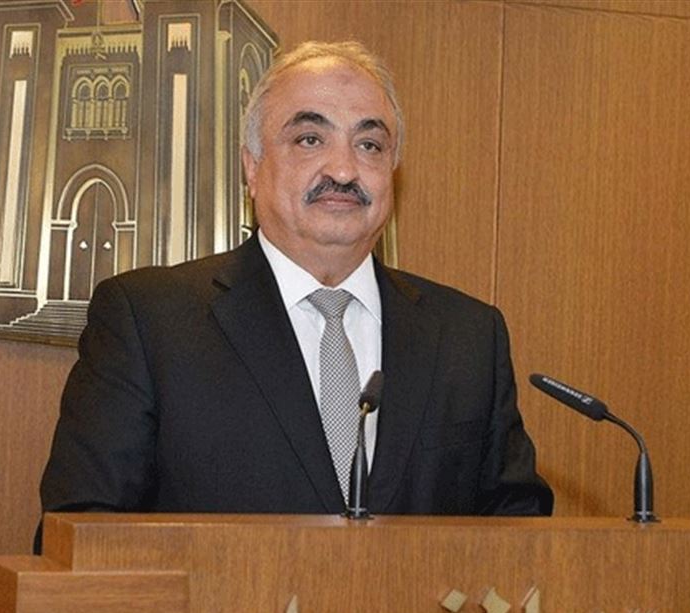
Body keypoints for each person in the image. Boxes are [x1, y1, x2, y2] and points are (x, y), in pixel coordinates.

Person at [38, 41, 553, 545]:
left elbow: (519, 538)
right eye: (310, 139)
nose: (343, 170)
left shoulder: (468, 336)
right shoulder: (150, 321)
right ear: (252, 167)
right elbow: (81, 535)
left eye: (369, 145)